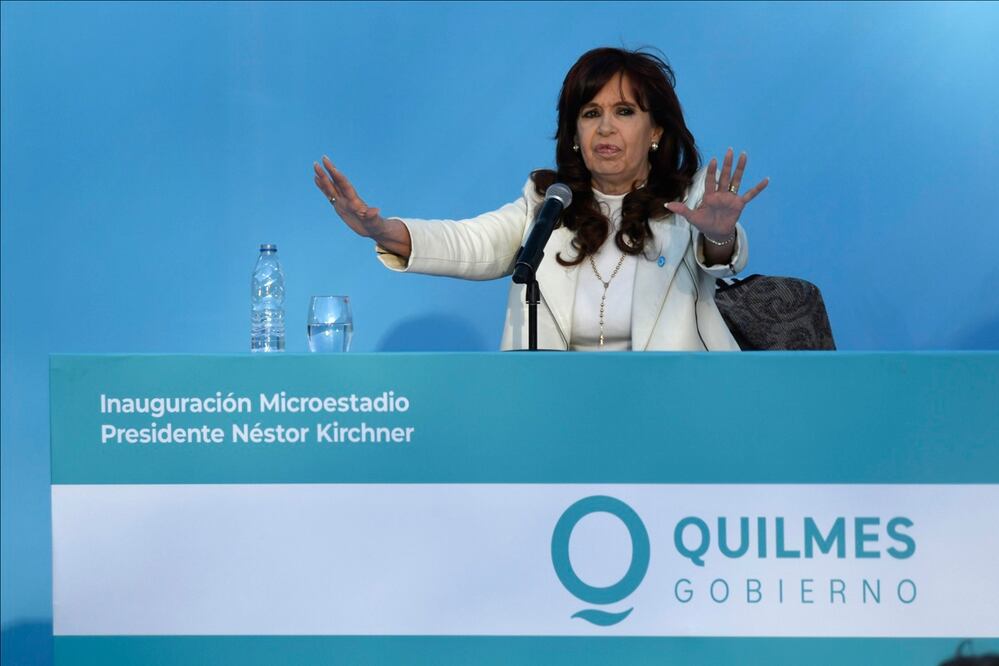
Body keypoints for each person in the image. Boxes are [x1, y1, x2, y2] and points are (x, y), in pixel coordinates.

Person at [313, 47, 769, 351]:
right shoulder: (548, 202)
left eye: (624, 112)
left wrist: (720, 234)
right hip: (553, 418)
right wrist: (382, 230)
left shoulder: (689, 199)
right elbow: (471, 242)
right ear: (574, 134)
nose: (605, 128)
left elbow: (724, 259)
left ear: (655, 132)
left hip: (678, 414)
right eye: (590, 114)